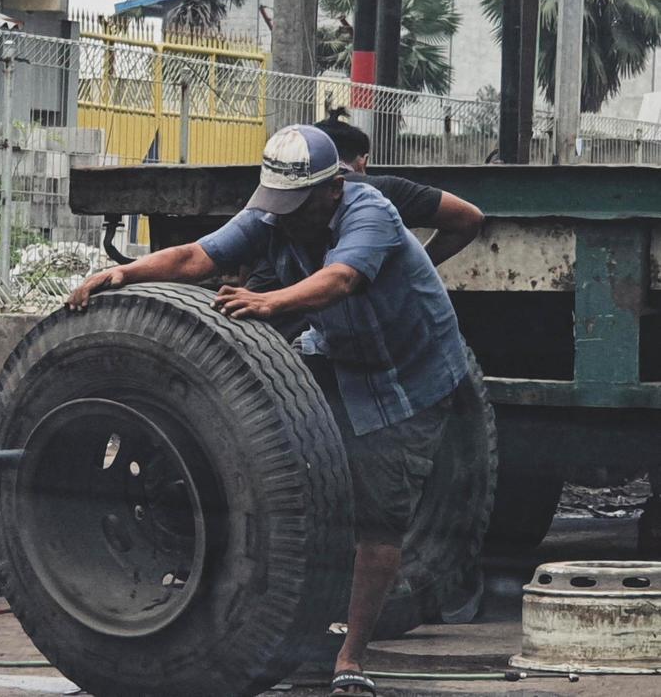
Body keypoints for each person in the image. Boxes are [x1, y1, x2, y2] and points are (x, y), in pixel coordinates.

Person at [67, 124, 471, 697]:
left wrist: (270, 300)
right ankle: (292, 616)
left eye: (300, 203)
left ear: (336, 187)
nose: (287, 215)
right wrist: (125, 272)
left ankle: (351, 660)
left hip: (407, 377)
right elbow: (196, 258)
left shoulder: (370, 211)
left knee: (379, 515)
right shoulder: (275, 215)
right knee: (290, 479)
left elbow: (340, 279)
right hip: (339, 356)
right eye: (280, 203)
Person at [316, 107, 484, 267]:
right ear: (363, 161)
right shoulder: (383, 190)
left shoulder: (296, 191)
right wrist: (414, 267)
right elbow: (468, 218)